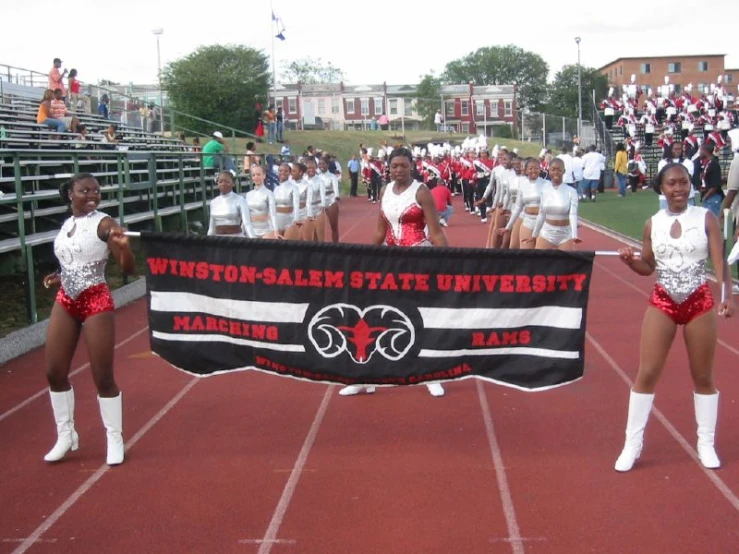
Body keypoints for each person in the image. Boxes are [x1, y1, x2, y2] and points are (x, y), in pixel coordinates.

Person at [614, 163, 735, 472]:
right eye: (672, 183)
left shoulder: (705, 218)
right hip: (663, 301)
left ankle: (705, 443)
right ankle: (632, 444)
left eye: (684, 182)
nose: (679, 188)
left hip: (699, 302)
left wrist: (727, 296)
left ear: (691, 186)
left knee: (703, 376)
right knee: (648, 372)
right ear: (661, 188)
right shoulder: (651, 224)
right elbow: (647, 267)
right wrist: (630, 261)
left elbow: (720, 261)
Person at [338, 147, 448, 398]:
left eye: (403, 165)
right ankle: (366, 376)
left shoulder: (422, 192)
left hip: (417, 259)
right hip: (389, 259)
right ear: (388, 167)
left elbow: (436, 232)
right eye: (394, 166)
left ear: (412, 166)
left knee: (422, 316)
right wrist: (364, 258)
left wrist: (452, 261)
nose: (398, 170)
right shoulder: (384, 190)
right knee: (375, 316)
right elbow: (380, 230)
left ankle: (431, 374)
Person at [41, 173, 135, 465]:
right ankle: (66, 435)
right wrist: (59, 276)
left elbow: (128, 269)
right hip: (66, 299)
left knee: (103, 377)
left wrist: (123, 246)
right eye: (85, 191)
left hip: (96, 300)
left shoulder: (105, 222)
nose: (92, 195)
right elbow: (73, 260)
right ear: (71, 194)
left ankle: (114, 438)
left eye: (96, 191)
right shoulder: (67, 224)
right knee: (54, 372)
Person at [525, 158, 581, 251]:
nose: (556, 173)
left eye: (559, 170)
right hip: (546, 233)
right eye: (553, 169)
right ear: (549, 170)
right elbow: (541, 214)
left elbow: (573, 214)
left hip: (565, 235)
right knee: (539, 263)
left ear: (564, 171)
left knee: (564, 265)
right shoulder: (544, 189)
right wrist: (534, 235)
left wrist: (574, 235)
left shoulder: (571, 191)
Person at [498, 157, 546, 250]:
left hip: (543, 224)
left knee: (541, 256)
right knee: (525, 254)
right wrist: (508, 227)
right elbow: (518, 207)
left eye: (536, 168)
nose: (533, 171)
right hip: (527, 222)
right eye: (530, 168)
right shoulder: (523, 185)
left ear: (540, 170)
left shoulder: (546, 184)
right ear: (526, 170)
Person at [207, 170, 254, 237]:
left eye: (227, 181)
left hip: (236, 239)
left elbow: (247, 224)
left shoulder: (240, 200)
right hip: (218, 241)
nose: (223, 184)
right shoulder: (213, 202)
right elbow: (211, 228)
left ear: (233, 183)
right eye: (220, 182)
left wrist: (254, 241)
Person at [245, 165, 279, 239]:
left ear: (264, 175)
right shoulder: (248, 195)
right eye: (253, 175)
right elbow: (246, 215)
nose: (256, 177)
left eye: (258, 174)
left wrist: (276, 230)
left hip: (267, 231)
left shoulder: (269, 193)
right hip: (252, 231)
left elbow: (273, 214)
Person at [273, 163, 301, 240]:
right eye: (280, 171)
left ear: (289, 173)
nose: (283, 173)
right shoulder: (276, 189)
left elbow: (296, 205)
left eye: (286, 171)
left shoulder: (294, 188)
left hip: (289, 221)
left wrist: (295, 220)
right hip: (277, 221)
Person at [318, 156, 341, 242]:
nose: (321, 166)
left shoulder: (332, 176)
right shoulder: (317, 177)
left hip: (331, 201)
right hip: (320, 202)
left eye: (323, 164)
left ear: (327, 165)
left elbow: (336, 188)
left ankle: (336, 245)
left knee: (334, 226)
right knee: (318, 228)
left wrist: (336, 196)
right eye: (319, 164)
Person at [699, 142, 724, 218]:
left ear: (705, 151)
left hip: (712, 197)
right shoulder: (708, 163)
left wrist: (706, 196)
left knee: (711, 222)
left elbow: (715, 184)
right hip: (709, 196)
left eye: (700, 151)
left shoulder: (714, 164)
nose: (699, 153)